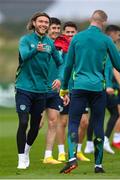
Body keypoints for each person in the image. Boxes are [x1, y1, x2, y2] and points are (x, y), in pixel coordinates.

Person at [59, 10, 120, 174]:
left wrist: (64, 88)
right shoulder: (106, 40)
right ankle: (98, 165)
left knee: (73, 122)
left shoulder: (77, 38)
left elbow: (68, 66)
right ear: (104, 22)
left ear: (90, 20)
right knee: (97, 123)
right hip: (97, 88)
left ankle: (72, 158)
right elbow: (118, 65)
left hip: (79, 87)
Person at [15, 12, 63, 169]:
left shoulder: (50, 43)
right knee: (23, 122)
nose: (43, 24)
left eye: (46, 22)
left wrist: (60, 78)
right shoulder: (25, 40)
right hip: (23, 88)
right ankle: (21, 158)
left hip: (41, 90)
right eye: (40, 21)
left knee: (35, 127)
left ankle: (27, 150)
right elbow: (24, 55)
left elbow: (61, 63)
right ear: (34, 23)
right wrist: (36, 49)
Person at [55, 22, 90, 162]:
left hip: (81, 88)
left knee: (84, 122)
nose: (70, 34)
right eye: (67, 32)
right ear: (64, 33)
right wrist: (63, 87)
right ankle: (62, 152)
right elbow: (60, 68)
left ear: (76, 33)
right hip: (65, 89)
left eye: (72, 32)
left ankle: (78, 151)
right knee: (63, 121)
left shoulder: (81, 47)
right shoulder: (59, 48)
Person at [84, 25, 120, 154]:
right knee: (114, 113)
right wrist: (109, 85)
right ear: (112, 34)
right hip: (103, 87)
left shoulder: (99, 45)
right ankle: (103, 140)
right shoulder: (107, 46)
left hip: (95, 85)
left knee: (95, 116)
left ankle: (89, 144)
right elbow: (108, 67)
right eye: (118, 34)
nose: (119, 37)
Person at [40, 17, 63, 164]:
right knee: (38, 123)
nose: (55, 30)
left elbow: (63, 67)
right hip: (39, 89)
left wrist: (63, 86)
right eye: (53, 28)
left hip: (54, 90)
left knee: (53, 122)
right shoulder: (41, 45)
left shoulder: (61, 48)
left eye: (57, 28)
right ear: (48, 29)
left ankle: (48, 156)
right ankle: (24, 150)